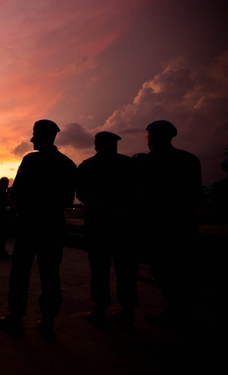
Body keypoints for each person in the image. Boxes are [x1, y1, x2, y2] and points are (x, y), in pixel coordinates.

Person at [0, 119, 76, 339]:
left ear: (43, 135)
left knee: (20, 273)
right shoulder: (68, 164)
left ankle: (16, 317)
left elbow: (18, 192)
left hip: (29, 226)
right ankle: (48, 320)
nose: (31, 139)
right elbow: (68, 199)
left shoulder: (30, 160)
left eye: (34, 135)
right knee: (50, 275)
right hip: (53, 226)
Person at [141, 120, 202, 328]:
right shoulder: (189, 160)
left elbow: (145, 196)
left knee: (164, 271)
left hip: (160, 227)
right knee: (183, 271)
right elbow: (195, 196)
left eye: (148, 135)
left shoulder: (150, 162)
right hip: (184, 226)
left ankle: (176, 311)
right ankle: (185, 311)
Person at [77, 132, 139, 328]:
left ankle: (100, 310)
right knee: (126, 270)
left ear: (96, 145)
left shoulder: (87, 165)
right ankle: (127, 311)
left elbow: (81, 194)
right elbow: (139, 192)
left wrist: (102, 211)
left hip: (98, 226)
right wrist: (122, 212)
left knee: (100, 269)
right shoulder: (128, 164)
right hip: (124, 225)